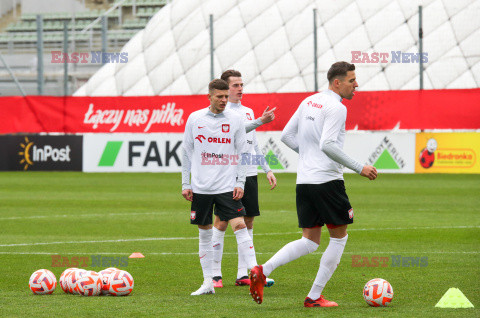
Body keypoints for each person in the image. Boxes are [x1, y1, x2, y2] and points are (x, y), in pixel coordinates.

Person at [248, 62, 378, 306]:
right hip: (327, 181)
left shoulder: (309, 101)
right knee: (339, 239)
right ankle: (314, 296)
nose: (356, 85)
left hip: (305, 181)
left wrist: (307, 156)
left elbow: (286, 136)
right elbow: (328, 145)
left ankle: (262, 270)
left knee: (309, 241)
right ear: (337, 83)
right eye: (352, 80)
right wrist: (360, 168)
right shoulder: (337, 108)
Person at [181, 79, 259, 296]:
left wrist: (240, 182)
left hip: (227, 185)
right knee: (204, 232)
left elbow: (244, 153)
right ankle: (208, 282)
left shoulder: (236, 119)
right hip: (201, 187)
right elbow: (187, 152)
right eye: (220, 97)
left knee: (240, 225)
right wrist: (186, 183)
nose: (225, 100)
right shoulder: (195, 118)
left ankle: (255, 272)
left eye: (226, 96)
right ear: (210, 97)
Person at [209, 70, 277, 288]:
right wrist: (260, 121)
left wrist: (266, 169)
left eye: (241, 84)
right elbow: (233, 134)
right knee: (221, 223)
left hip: (249, 174)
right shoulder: (222, 113)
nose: (240, 89)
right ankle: (215, 274)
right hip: (227, 176)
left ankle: (242, 274)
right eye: (235, 85)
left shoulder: (248, 112)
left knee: (248, 223)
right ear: (224, 89)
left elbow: (253, 145)